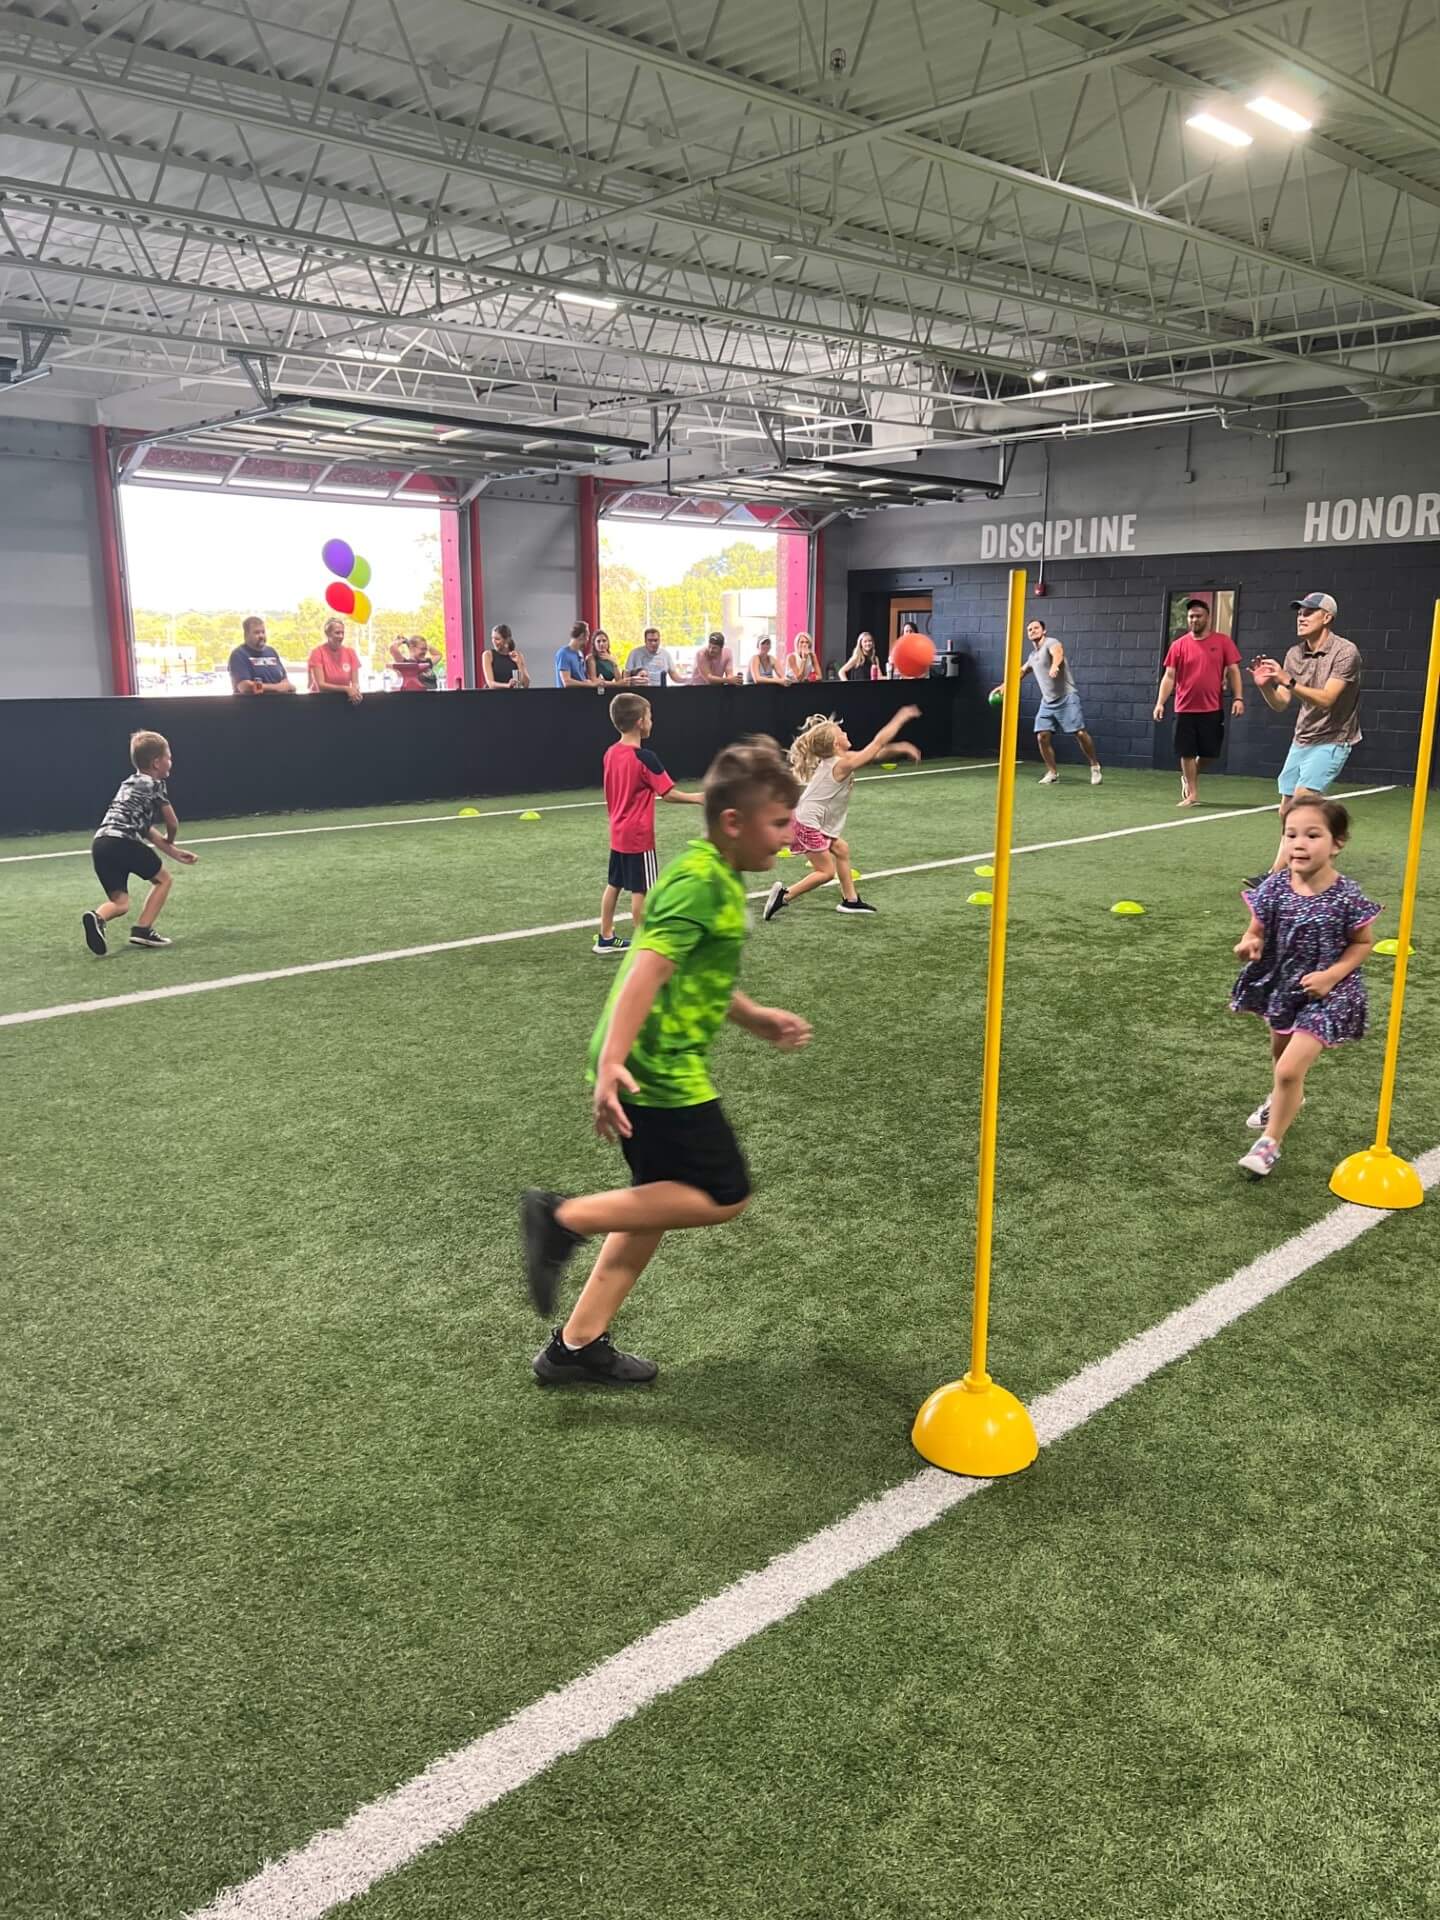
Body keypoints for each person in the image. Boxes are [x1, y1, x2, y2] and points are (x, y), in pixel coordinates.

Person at [519, 737, 810, 1386]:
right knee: (723, 1192)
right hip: (654, 1070)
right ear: (733, 823)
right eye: (779, 823)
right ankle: (561, 1218)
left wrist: (755, 1017)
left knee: (653, 1205)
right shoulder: (704, 883)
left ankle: (575, 1346)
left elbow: (692, 978)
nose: (787, 839)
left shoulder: (714, 872)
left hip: (649, 1062)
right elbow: (645, 970)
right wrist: (613, 1064)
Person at [1230, 798, 1380, 1180]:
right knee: (1282, 1066)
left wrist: (1331, 975)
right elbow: (1257, 927)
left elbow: (1363, 943)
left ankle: (1269, 1143)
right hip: (1285, 987)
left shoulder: (1347, 895)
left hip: (1330, 994)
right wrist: (1250, 942)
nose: (1299, 844)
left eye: (1312, 835)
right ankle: (1280, 1099)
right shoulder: (1276, 887)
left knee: (1289, 1069)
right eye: (1291, 835)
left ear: (1337, 843)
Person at [763, 705, 920, 922]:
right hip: (806, 823)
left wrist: (900, 747)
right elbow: (877, 744)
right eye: (841, 733)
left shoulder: (840, 761)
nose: (846, 734)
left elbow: (876, 753)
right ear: (836, 744)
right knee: (825, 872)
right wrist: (900, 719)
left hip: (809, 820)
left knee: (841, 849)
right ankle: (784, 896)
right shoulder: (842, 764)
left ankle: (851, 901)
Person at [1248, 593, 1363, 878]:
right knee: (1287, 810)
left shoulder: (1346, 652)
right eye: (1299, 612)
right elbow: (1281, 703)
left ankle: (1276, 875)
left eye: (1310, 612)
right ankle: (1322, 844)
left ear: (1327, 617)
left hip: (1335, 738)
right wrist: (1265, 686)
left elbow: (1326, 699)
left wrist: (1286, 679)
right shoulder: (1294, 654)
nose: (1301, 617)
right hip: (1302, 739)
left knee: (1302, 800)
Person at [594, 691, 705, 957]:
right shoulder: (645, 758)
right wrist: (698, 798)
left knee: (614, 884)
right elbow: (668, 794)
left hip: (618, 832)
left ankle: (605, 936)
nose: (652, 721)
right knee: (642, 890)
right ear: (639, 722)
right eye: (650, 716)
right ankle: (645, 946)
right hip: (638, 837)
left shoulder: (611, 753)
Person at [81, 731, 198, 956]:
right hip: (124, 843)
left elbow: (145, 830)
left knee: (120, 903)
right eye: (169, 757)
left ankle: (97, 917)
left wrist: (173, 852)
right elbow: (172, 822)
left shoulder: (128, 784)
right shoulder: (155, 785)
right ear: (156, 763)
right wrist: (172, 838)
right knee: (163, 880)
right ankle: (143, 929)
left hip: (101, 844)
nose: (170, 762)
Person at [990, 618, 1102, 785]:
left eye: (1036, 628)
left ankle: (1095, 766)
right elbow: (1020, 672)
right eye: (1029, 629)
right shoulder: (1033, 656)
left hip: (1067, 697)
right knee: (1042, 736)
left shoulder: (1052, 642)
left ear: (1044, 631)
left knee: (1079, 733)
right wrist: (1004, 686)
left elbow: (1058, 653)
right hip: (1047, 702)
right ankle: (1052, 772)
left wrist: (1055, 665)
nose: (1032, 631)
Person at [1153, 599, 1243, 806]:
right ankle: (1192, 794)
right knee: (1186, 752)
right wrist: (1160, 703)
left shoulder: (1223, 642)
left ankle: (1188, 776)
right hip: (1184, 708)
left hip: (1212, 708)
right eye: (1191, 616)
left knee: (1210, 753)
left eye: (1198, 616)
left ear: (1208, 618)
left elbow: (1234, 672)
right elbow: (1169, 676)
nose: (1194, 619)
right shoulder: (1178, 645)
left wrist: (1239, 697)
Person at [228, 616, 293, 695]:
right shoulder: (239, 655)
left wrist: (286, 686)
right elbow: (244, 686)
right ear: (246, 635)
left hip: (279, 704)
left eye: (263, 632)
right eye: (256, 632)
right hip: (252, 706)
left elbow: (284, 680)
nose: (261, 636)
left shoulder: (271, 652)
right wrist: (278, 688)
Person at [308, 618, 363, 702]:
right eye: (337, 633)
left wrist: (355, 690)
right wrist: (346, 689)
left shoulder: (350, 652)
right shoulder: (317, 653)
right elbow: (321, 685)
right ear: (327, 634)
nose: (341, 636)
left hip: (344, 700)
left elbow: (355, 682)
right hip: (320, 701)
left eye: (342, 633)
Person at [483, 624, 529, 689]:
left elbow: (526, 684)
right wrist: (508, 685)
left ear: (507, 640)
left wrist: (519, 663)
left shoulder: (517, 655)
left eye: (497, 639)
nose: (494, 642)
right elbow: (490, 684)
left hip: (512, 696)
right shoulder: (488, 655)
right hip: (493, 696)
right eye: (492, 638)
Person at [555, 621, 595, 688]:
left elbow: (582, 679)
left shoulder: (580, 654)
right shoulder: (563, 654)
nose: (588, 639)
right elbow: (567, 682)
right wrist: (589, 685)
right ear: (582, 636)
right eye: (587, 636)